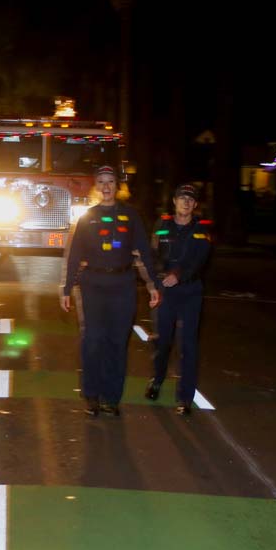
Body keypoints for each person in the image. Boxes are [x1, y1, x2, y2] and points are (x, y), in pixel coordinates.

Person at [61, 165, 161, 417]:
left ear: (118, 186)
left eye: (111, 182)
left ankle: (111, 398)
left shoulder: (131, 216)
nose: (106, 187)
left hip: (123, 284)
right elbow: (74, 255)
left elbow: (144, 252)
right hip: (93, 284)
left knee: (117, 342)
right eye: (101, 182)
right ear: (96, 186)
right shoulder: (88, 217)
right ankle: (91, 395)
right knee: (93, 340)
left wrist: (153, 285)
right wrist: (66, 288)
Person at [145, 184, 212, 416]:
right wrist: (157, 279)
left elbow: (200, 259)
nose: (186, 202)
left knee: (188, 345)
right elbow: (153, 254)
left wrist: (179, 275)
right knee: (163, 341)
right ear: (174, 201)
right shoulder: (162, 225)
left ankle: (185, 397)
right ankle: (157, 379)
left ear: (195, 205)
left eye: (190, 199)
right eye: (182, 198)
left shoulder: (201, 228)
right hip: (166, 291)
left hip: (190, 291)